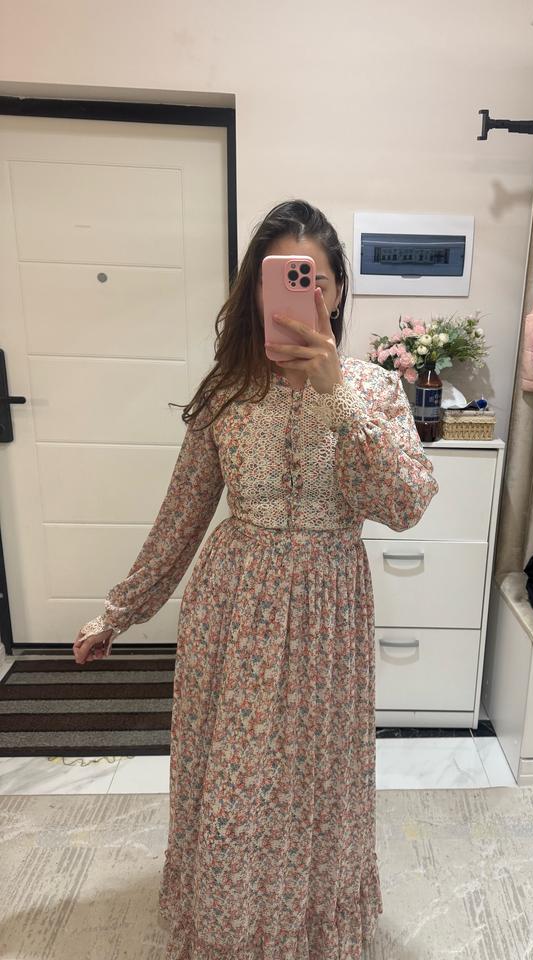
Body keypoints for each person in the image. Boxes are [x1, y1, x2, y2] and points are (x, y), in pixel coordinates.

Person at [71, 199, 440, 958]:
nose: (307, 295)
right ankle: (231, 928)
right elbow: (182, 515)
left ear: (337, 290)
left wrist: (338, 396)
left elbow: (406, 504)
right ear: (257, 293)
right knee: (235, 783)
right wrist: (121, 611)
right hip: (235, 607)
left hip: (329, 610)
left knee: (315, 784)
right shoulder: (227, 394)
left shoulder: (374, 391)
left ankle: (308, 928)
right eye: (287, 281)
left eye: (319, 280)